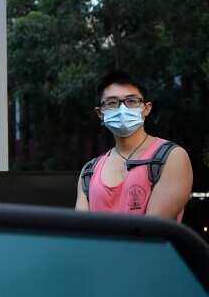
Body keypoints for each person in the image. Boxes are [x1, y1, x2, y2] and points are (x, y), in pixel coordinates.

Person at [75, 71, 192, 220]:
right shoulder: (89, 172)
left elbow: (153, 230)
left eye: (131, 101)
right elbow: (83, 232)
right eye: (112, 103)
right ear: (100, 113)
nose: (122, 109)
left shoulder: (171, 157)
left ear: (146, 108)